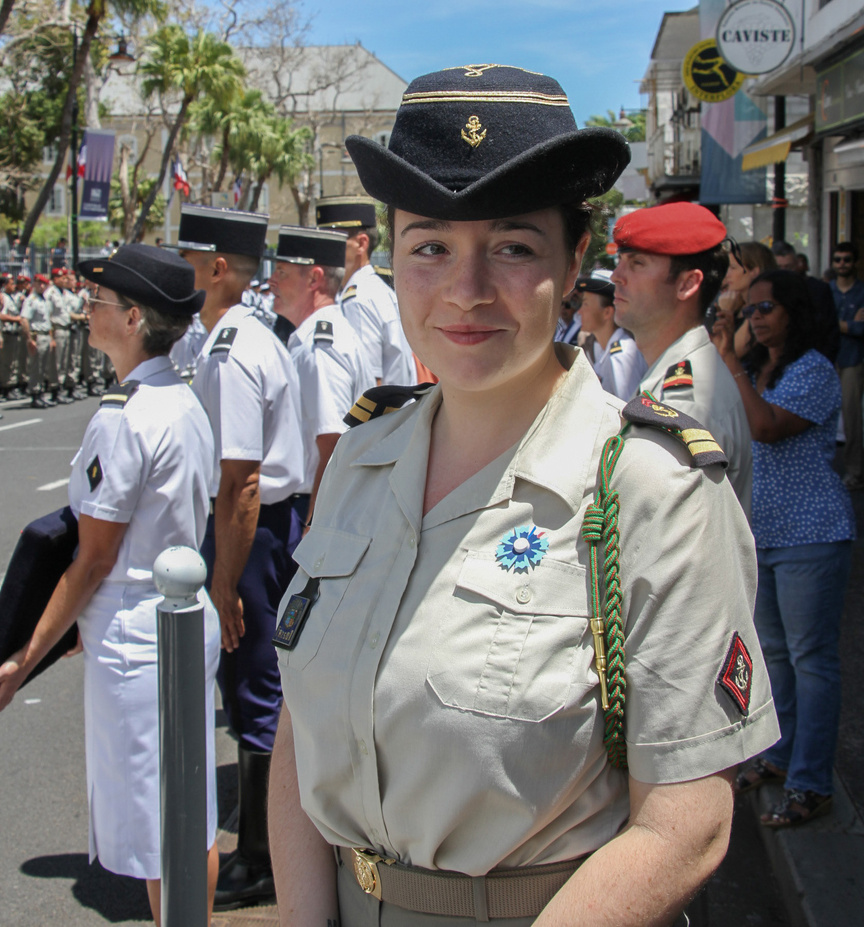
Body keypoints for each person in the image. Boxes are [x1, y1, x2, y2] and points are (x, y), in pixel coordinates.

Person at [268, 64, 779, 927]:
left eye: (511, 246)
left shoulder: (650, 486)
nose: (466, 290)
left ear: (576, 256)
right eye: (430, 245)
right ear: (391, 255)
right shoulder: (361, 454)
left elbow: (686, 824)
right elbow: (302, 733)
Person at [0, 244, 221, 923]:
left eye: (96, 302)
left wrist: (20, 658)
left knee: (161, 828)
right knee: (187, 813)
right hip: (175, 615)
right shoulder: (177, 398)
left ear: (131, 317)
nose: (85, 310)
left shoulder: (124, 415)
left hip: (137, 630)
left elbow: (93, 558)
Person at [173, 204, 306, 911]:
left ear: (219, 268)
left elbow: (241, 480)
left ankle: (260, 856)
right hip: (262, 530)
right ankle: (265, 845)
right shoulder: (240, 336)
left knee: (254, 688)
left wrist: (224, 581)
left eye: (189, 261)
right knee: (260, 686)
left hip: (250, 537)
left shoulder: (231, 349)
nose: (182, 273)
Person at [711, 269, 854, 827]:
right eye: (750, 310)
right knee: (772, 659)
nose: (755, 318)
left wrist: (729, 363)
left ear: (796, 311)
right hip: (764, 533)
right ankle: (778, 756)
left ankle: (812, 781)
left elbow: (767, 427)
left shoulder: (814, 371)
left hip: (812, 534)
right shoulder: (759, 368)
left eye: (766, 308)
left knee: (811, 661)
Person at [611, 203, 753, 516]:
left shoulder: (684, 402)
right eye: (620, 261)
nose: (616, 276)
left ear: (687, 284)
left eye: (637, 263)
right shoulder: (677, 374)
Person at [267, 225, 375, 523]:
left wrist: (314, 526)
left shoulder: (319, 347)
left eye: (282, 272)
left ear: (314, 278)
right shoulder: (316, 337)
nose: (271, 281)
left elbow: (332, 442)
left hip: (311, 506)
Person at [316, 195, 417, 386]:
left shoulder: (358, 300)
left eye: (332, 238)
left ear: (361, 244)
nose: (323, 248)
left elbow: (370, 384)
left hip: (380, 413)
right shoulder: (372, 289)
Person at [575, 268, 645, 400]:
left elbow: (627, 411)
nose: (580, 311)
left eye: (585, 304)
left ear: (607, 312)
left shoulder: (621, 355)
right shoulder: (600, 349)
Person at [830, 242, 864, 490]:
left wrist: (840, 324)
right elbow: (821, 324)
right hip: (829, 359)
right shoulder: (827, 290)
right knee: (823, 418)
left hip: (853, 360)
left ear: (855, 262)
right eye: (838, 259)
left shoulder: (861, 291)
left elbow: (861, 329)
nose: (842, 264)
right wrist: (849, 324)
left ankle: (854, 471)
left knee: (852, 420)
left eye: (847, 259)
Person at [772, 240, 838, 362]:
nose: (784, 272)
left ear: (797, 264)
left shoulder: (818, 289)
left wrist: (825, 360)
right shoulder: (765, 292)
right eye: (779, 268)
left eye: (788, 267)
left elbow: (830, 330)